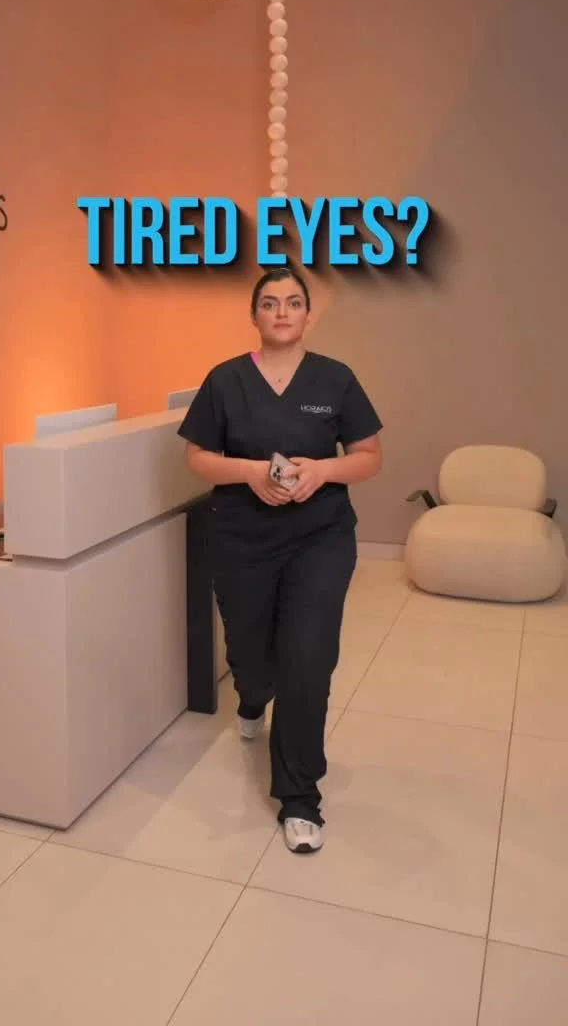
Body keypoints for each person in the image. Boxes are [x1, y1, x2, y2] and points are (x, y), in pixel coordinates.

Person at [177, 268, 383, 854]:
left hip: (320, 537)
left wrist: (323, 471)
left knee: (308, 658)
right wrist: (249, 472)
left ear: (308, 316)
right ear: (255, 316)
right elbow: (197, 457)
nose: (283, 312)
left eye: (294, 302)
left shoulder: (336, 378)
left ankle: (299, 797)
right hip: (242, 536)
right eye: (270, 303)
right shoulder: (225, 379)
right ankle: (251, 695)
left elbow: (369, 456)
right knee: (250, 651)